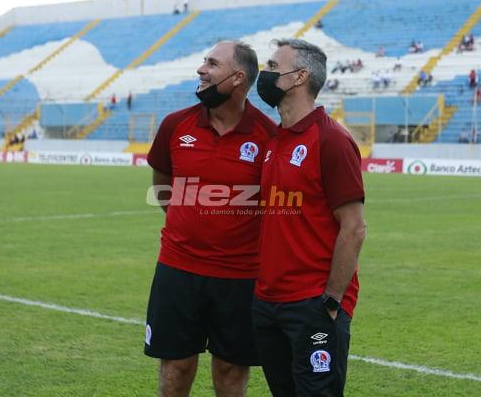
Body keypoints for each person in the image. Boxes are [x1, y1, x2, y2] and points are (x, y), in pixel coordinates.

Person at [144, 41, 277, 397]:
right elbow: (162, 184)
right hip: (178, 270)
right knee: (176, 368)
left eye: (212, 63)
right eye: (204, 61)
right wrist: (185, 223)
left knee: (231, 371)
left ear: (238, 78)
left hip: (240, 276)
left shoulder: (268, 136)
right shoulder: (176, 125)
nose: (201, 69)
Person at [252, 38, 366, 397]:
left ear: (299, 77)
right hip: (268, 302)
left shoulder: (331, 140)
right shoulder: (274, 139)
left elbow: (354, 228)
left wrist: (331, 301)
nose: (265, 73)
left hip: (313, 304)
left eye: (273, 66)